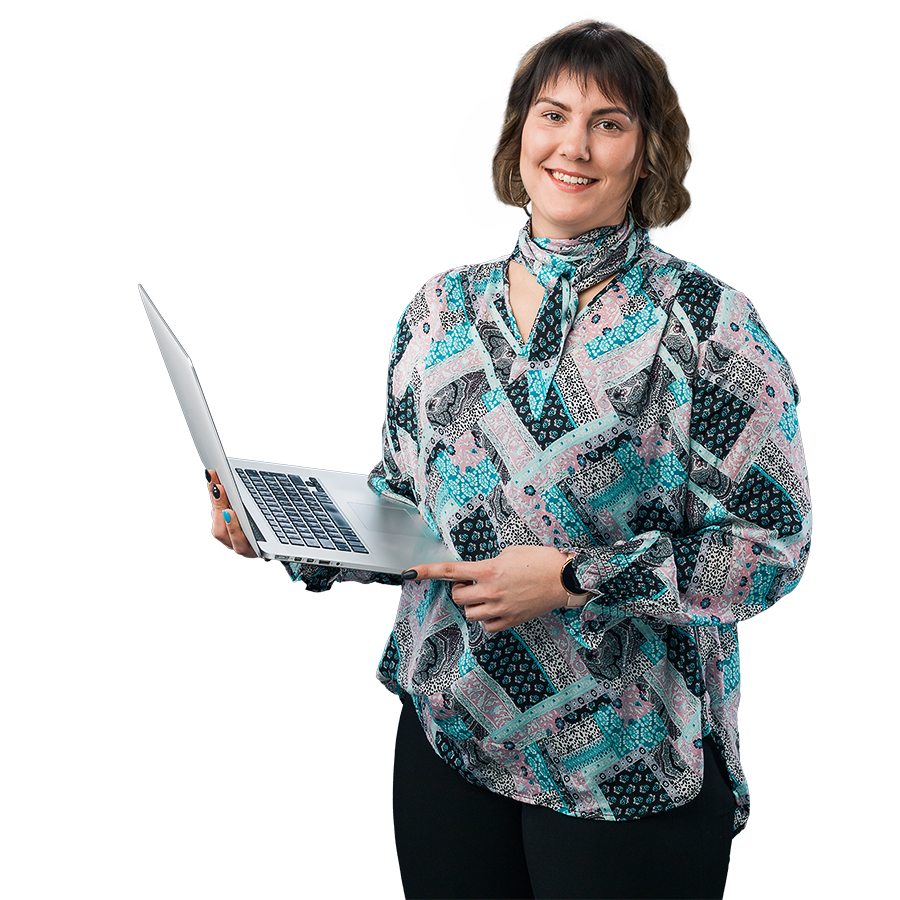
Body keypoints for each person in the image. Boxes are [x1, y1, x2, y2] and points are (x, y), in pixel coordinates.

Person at [205, 19, 810, 900]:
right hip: (450, 732)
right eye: (552, 114)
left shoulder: (710, 328)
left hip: (627, 762)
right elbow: (410, 510)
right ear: (518, 130)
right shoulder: (440, 310)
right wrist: (284, 532)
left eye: (608, 123)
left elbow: (769, 549)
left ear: (647, 153)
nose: (574, 146)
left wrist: (571, 577)